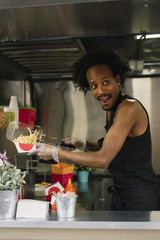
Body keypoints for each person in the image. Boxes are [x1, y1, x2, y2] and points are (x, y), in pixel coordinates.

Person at [31, 48, 159, 211]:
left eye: (105, 82)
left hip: (140, 198)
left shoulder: (129, 108)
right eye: (94, 86)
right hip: (123, 193)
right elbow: (114, 149)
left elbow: (104, 159)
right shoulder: (113, 109)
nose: (101, 91)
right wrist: (84, 144)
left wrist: (56, 153)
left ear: (117, 79)